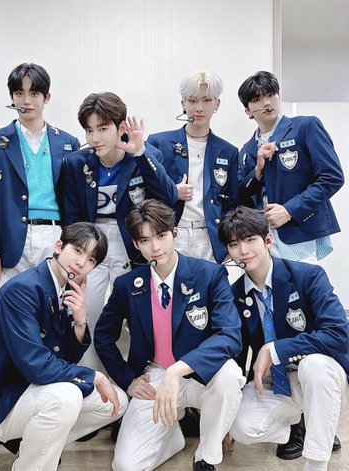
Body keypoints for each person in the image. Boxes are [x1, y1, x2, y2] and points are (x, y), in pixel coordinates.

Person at [94, 199, 245, 471]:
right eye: (145, 240)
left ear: (174, 233)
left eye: (161, 235)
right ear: (136, 244)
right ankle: (171, 436)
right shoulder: (127, 285)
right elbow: (103, 336)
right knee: (126, 466)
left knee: (230, 376)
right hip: (154, 376)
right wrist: (128, 380)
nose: (155, 247)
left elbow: (230, 336)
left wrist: (177, 371)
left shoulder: (209, 274)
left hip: (200, 373)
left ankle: (206, 455)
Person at [0, 222, 128, 471]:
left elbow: (63, 360)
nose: (81, 263)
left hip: (31, 390)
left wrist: (80, 321)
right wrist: (94, 376)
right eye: (77, 250)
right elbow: (37, 365)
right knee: (66, 397)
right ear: (59, 246)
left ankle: (32, 441)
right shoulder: (24, 289)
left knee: (115, 402)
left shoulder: (65, 290)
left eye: (91, 260)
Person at [218, 206, 349, 471]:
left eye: (250, 239)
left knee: (315, 366)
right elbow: (237, 352)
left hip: (323, 379)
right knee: (240, 425)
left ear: (268, 240)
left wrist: (276, 349)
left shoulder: (308, 276)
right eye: (234, 244)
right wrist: (223, 416)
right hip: (278, 382)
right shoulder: (234, 294)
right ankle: (299, 426)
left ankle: (316, 462)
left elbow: (339, 335)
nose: (243, 250)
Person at [62, 92, 177, 371]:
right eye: (89, 130)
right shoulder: (76, 163)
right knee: (87, 310)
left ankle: (129, 376)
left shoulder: (143, 155)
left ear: (120, 127)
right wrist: (77, 261)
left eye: (103, 129)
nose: (95, 138)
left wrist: (140, 153)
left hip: (131, 243)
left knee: (133, 313)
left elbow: (169, 196)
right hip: (91, 242)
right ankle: (89, 376)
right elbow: (72, 217)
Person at [0, 62, 80, 298]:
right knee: (5, 303)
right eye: (19, 93)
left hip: (54, 235)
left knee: (54, 304)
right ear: (12, 97)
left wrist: (76, 245)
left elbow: (73, 201)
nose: (26, 101)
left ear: (46, 97)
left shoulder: (68, 143)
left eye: (34, 93)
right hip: (10, 237)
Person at [237, 70, 344, 263]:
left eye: (271, 95)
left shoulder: (305, 127)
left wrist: (289, 211)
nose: (266, 103)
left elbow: (332, 177)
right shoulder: (246, 150)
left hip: (299, 233)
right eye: (257, 99)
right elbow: (241, 196)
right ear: (248, 111)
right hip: (262, 241)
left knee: (304, 282)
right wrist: (257, 172)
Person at [147, 69, 239, 264]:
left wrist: (229, 240)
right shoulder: (159, 143)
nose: (199, 108)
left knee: (210, 283)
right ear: (183, 103)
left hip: (209, 236)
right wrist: (173, 191)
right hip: (170, 232)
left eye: (207, 100)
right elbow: (148, 191)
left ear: (217, 103)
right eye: (192, 100)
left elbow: (231, 202)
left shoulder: (228, 151)